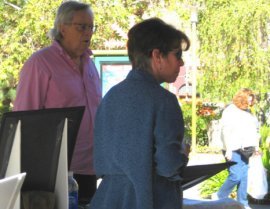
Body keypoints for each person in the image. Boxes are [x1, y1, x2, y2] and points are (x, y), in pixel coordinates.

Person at [89, 18, 190, 209]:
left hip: (107, 199)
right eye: (177, 54)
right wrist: (182, 154)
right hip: (148, 199)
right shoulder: (164, 101)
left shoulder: (111, 96)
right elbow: (168, 166)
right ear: (157, 55)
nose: (181, 62)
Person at [13, 1, 101, 207]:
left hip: (89, 168)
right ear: (62, 27)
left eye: (91, 27)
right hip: (55, 173)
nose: (88, 32)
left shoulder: (89, 64)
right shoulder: (40, 63)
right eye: (82, 27)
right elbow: (24, 120)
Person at [212, 88, 260, 209]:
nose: (250, 103)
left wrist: (256, 146)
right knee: (236, 175)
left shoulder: (249, 112)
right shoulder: (230, 111)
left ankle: (243, 203)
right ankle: (220, 196)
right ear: (241, 98)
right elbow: (225, 130)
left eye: (251, 101)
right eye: (248, 100)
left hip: (246, 149)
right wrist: (228, 149)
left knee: (244, 177)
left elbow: (255, 130)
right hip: (232, 148)